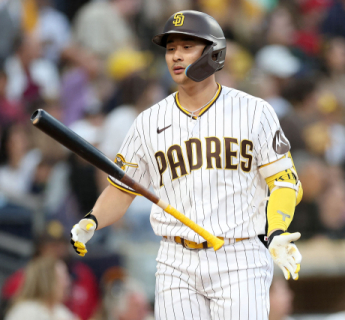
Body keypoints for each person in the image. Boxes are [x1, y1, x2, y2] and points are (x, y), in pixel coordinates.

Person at [70, 10, 304, 320]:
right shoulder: (149, 121)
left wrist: (276, 228)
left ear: (213, 52)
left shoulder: (254, 112)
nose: (176, 57)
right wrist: (93, 219)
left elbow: (285, 182)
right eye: (170, 49)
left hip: (238, 254)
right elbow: (123, 189)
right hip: (175, 258)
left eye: (186, 47)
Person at [4, 256, 78, 320]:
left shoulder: (62, 312)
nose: (67, 283)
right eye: (62, 278)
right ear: (48, 281)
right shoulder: (25, 311)